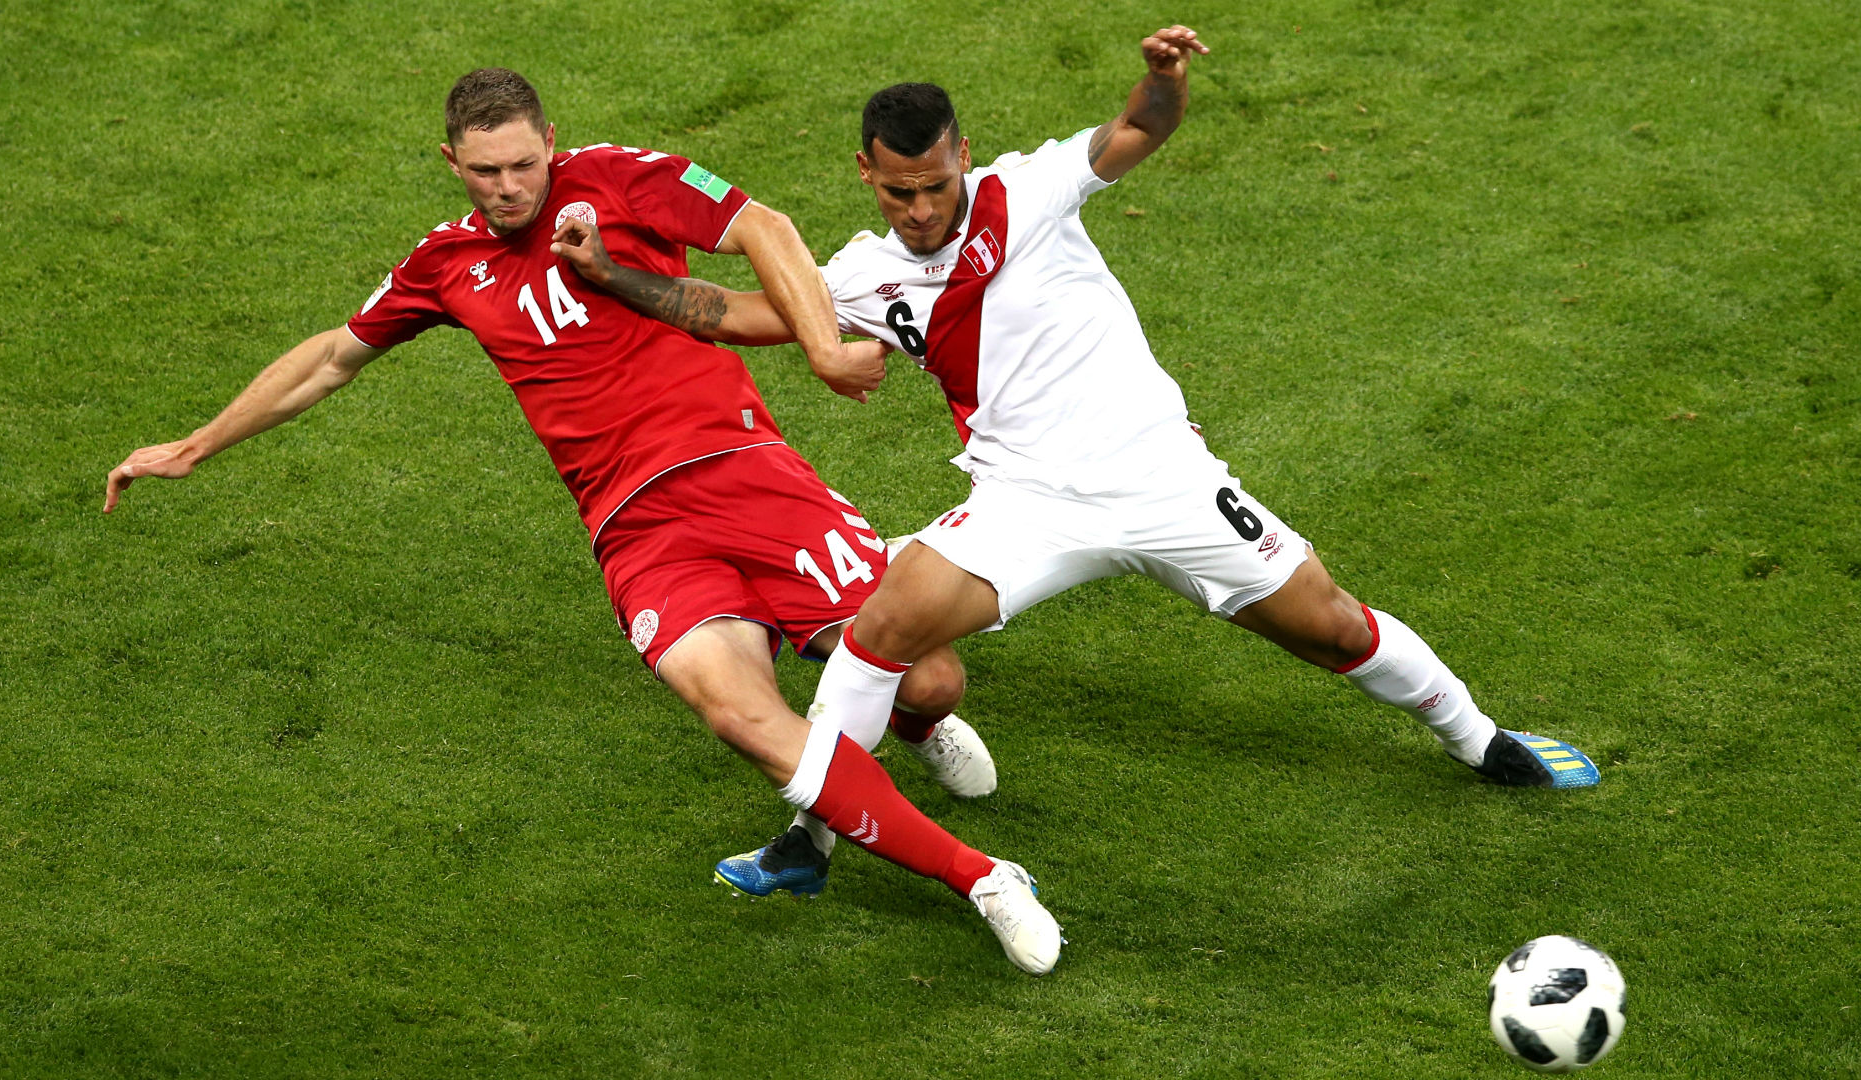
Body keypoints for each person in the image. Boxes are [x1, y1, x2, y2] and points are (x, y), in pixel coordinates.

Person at [552, 23, 1604, 939]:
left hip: (1163, 480)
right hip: (1025, 503)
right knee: (881, 628)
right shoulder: (867, 273)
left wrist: (1165, 79)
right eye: (898, 191)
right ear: (866, 173)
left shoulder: (1030, 190)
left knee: (1329, 625)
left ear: (963, 156)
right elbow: (740, 313)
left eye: (935, 185)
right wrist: (609, 276)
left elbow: (1137, 129)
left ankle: (1482, 739)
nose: (920, 208)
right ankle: (809, 841)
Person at [103, 68, 1062, 975]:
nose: (509, 187)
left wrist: (819, 345)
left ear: (550, 142)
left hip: (746, 473)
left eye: (524, 164)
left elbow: (764, 226)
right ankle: (983, 878)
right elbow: (329, 359)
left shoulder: (619, 179)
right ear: (451, 162)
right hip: (636, 530)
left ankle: (914, 720)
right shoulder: (445, 263)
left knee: (932, 677)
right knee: (737, 713)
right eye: (486, 171)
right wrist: (195, 444)